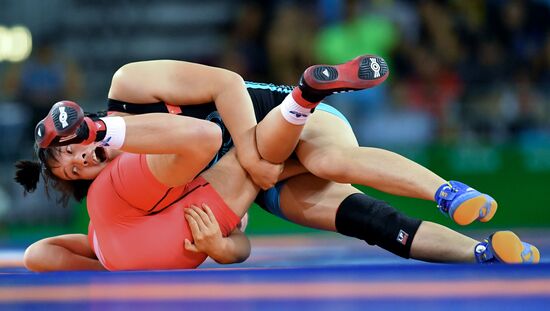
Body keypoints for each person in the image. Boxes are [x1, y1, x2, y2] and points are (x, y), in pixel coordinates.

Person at [16, 55, 539, 271]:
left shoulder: (128, 88)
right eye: (77, 168)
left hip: (265, 115)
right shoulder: (142, 190)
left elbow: (225, 84)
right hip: (258, 171)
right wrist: (220, 248)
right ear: (88, 183)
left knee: (333, 159)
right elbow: (237, 229)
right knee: (366, 222)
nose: (84, 160)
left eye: (75, 149)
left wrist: (247, 152)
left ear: (84, 124)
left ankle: (448, 191)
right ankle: (484, 252)